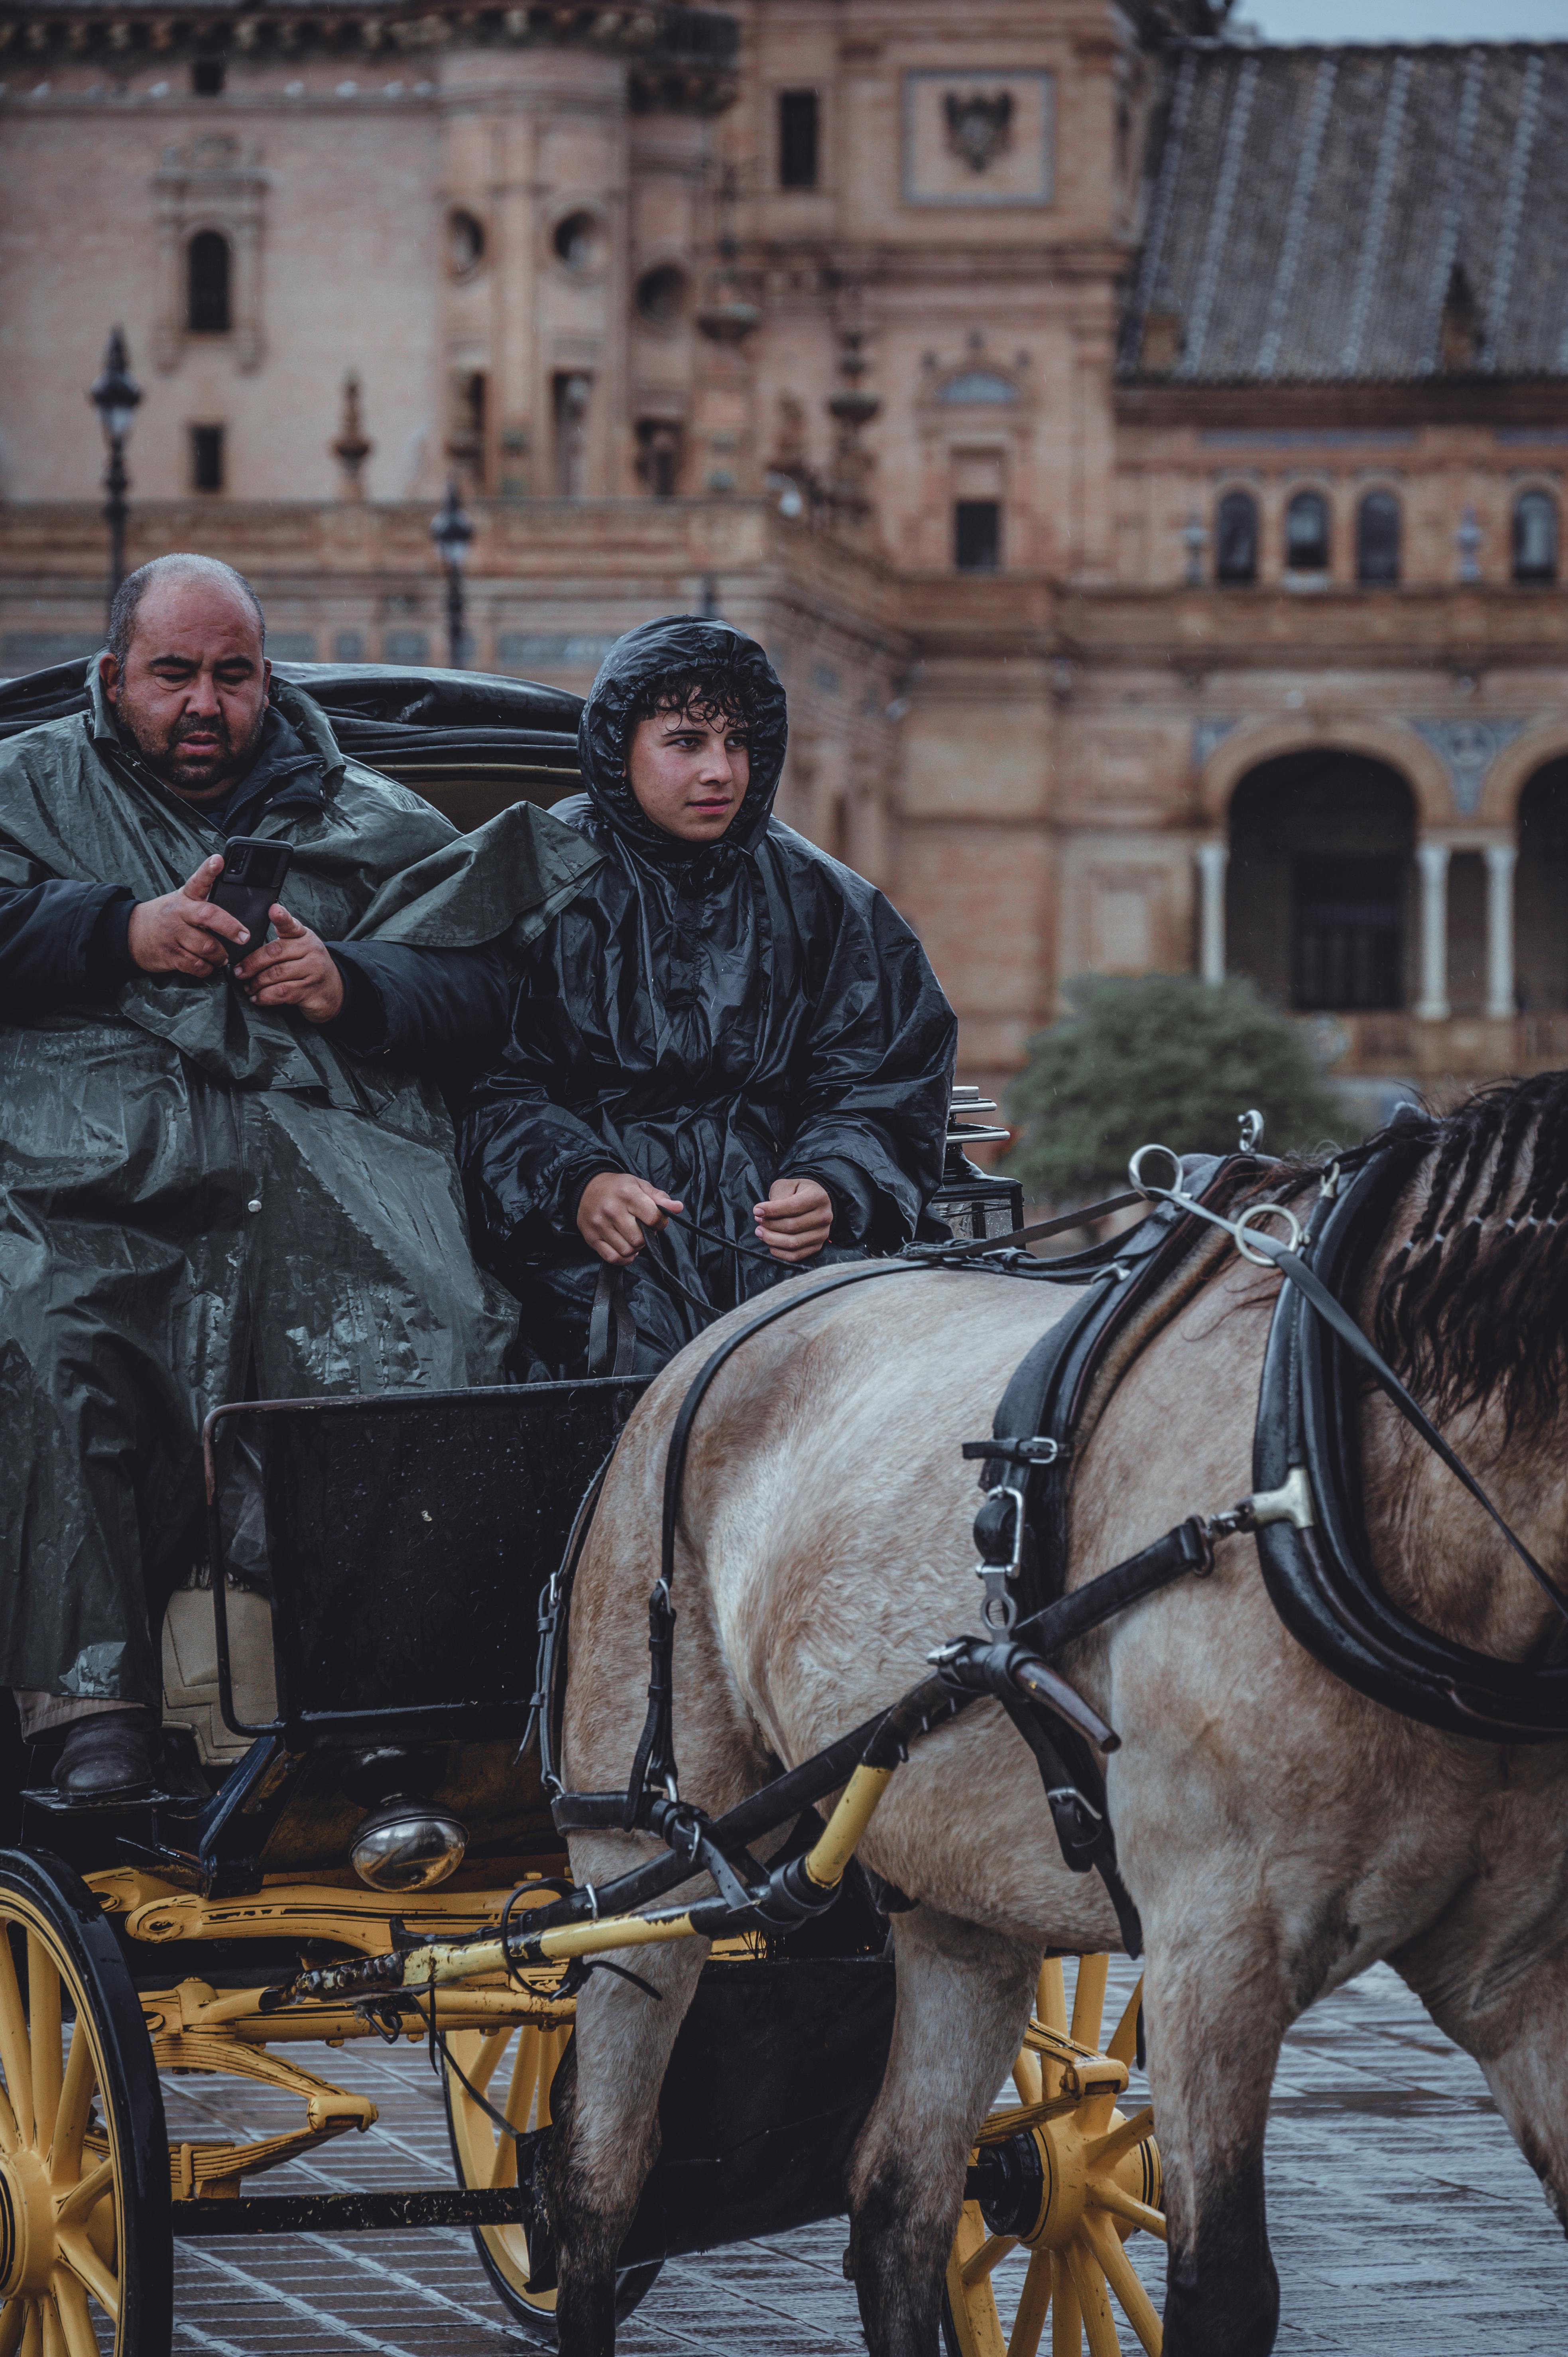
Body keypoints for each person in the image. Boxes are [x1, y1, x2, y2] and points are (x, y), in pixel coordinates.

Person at [0, 553, 600, 1800]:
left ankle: (385, 1696)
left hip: (332, 1161)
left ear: (267, 682)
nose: (203, 704)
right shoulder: (23, 790)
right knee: (53, 1321)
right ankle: (91, 1701)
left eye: (231, 675)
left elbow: (491, 986)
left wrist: (350, 982)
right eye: (173, 676)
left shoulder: (371, 816)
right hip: (92, 1173)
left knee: (434, 1322)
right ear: (114, 680)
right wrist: (119, 929)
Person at [461, 615, 956, 1378]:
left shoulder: (823, 898)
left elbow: (885, 1074)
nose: (721, 772)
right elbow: (476, 1080)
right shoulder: (536, 880)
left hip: (781, 1255)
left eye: (739, 744)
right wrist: (577, 1181)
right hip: (587, 1259)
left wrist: (833, 1181)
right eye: (687, 742)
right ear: (617, 747)